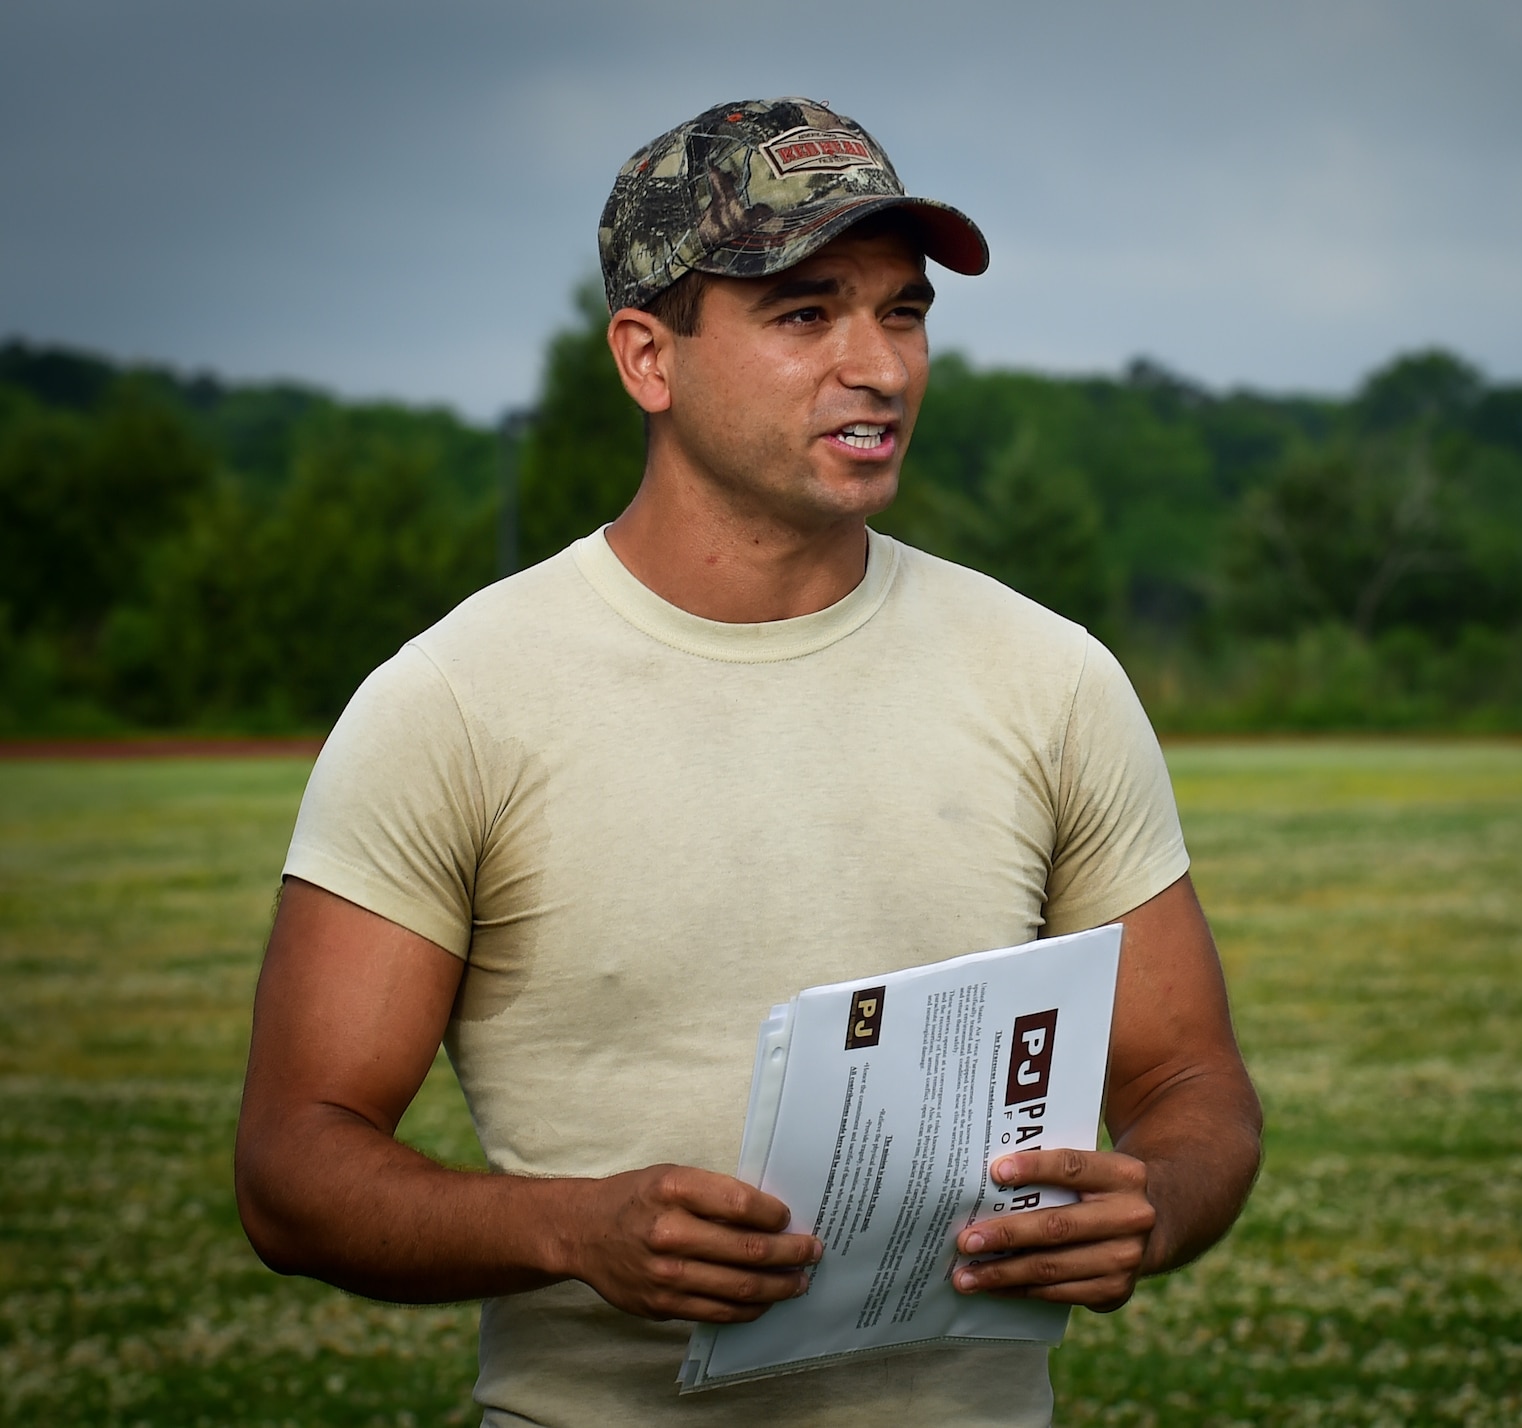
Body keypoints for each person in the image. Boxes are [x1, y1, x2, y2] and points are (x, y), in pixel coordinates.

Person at [234, 96, 1262, 1427]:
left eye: (903, 311)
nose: (880, 367)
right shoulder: (455, 703)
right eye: (803, 314)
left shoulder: (1050, 678)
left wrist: (1157, 1203)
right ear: (647, 358)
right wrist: (573, 1230)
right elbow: (291, 1167)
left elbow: (1191, 1086)